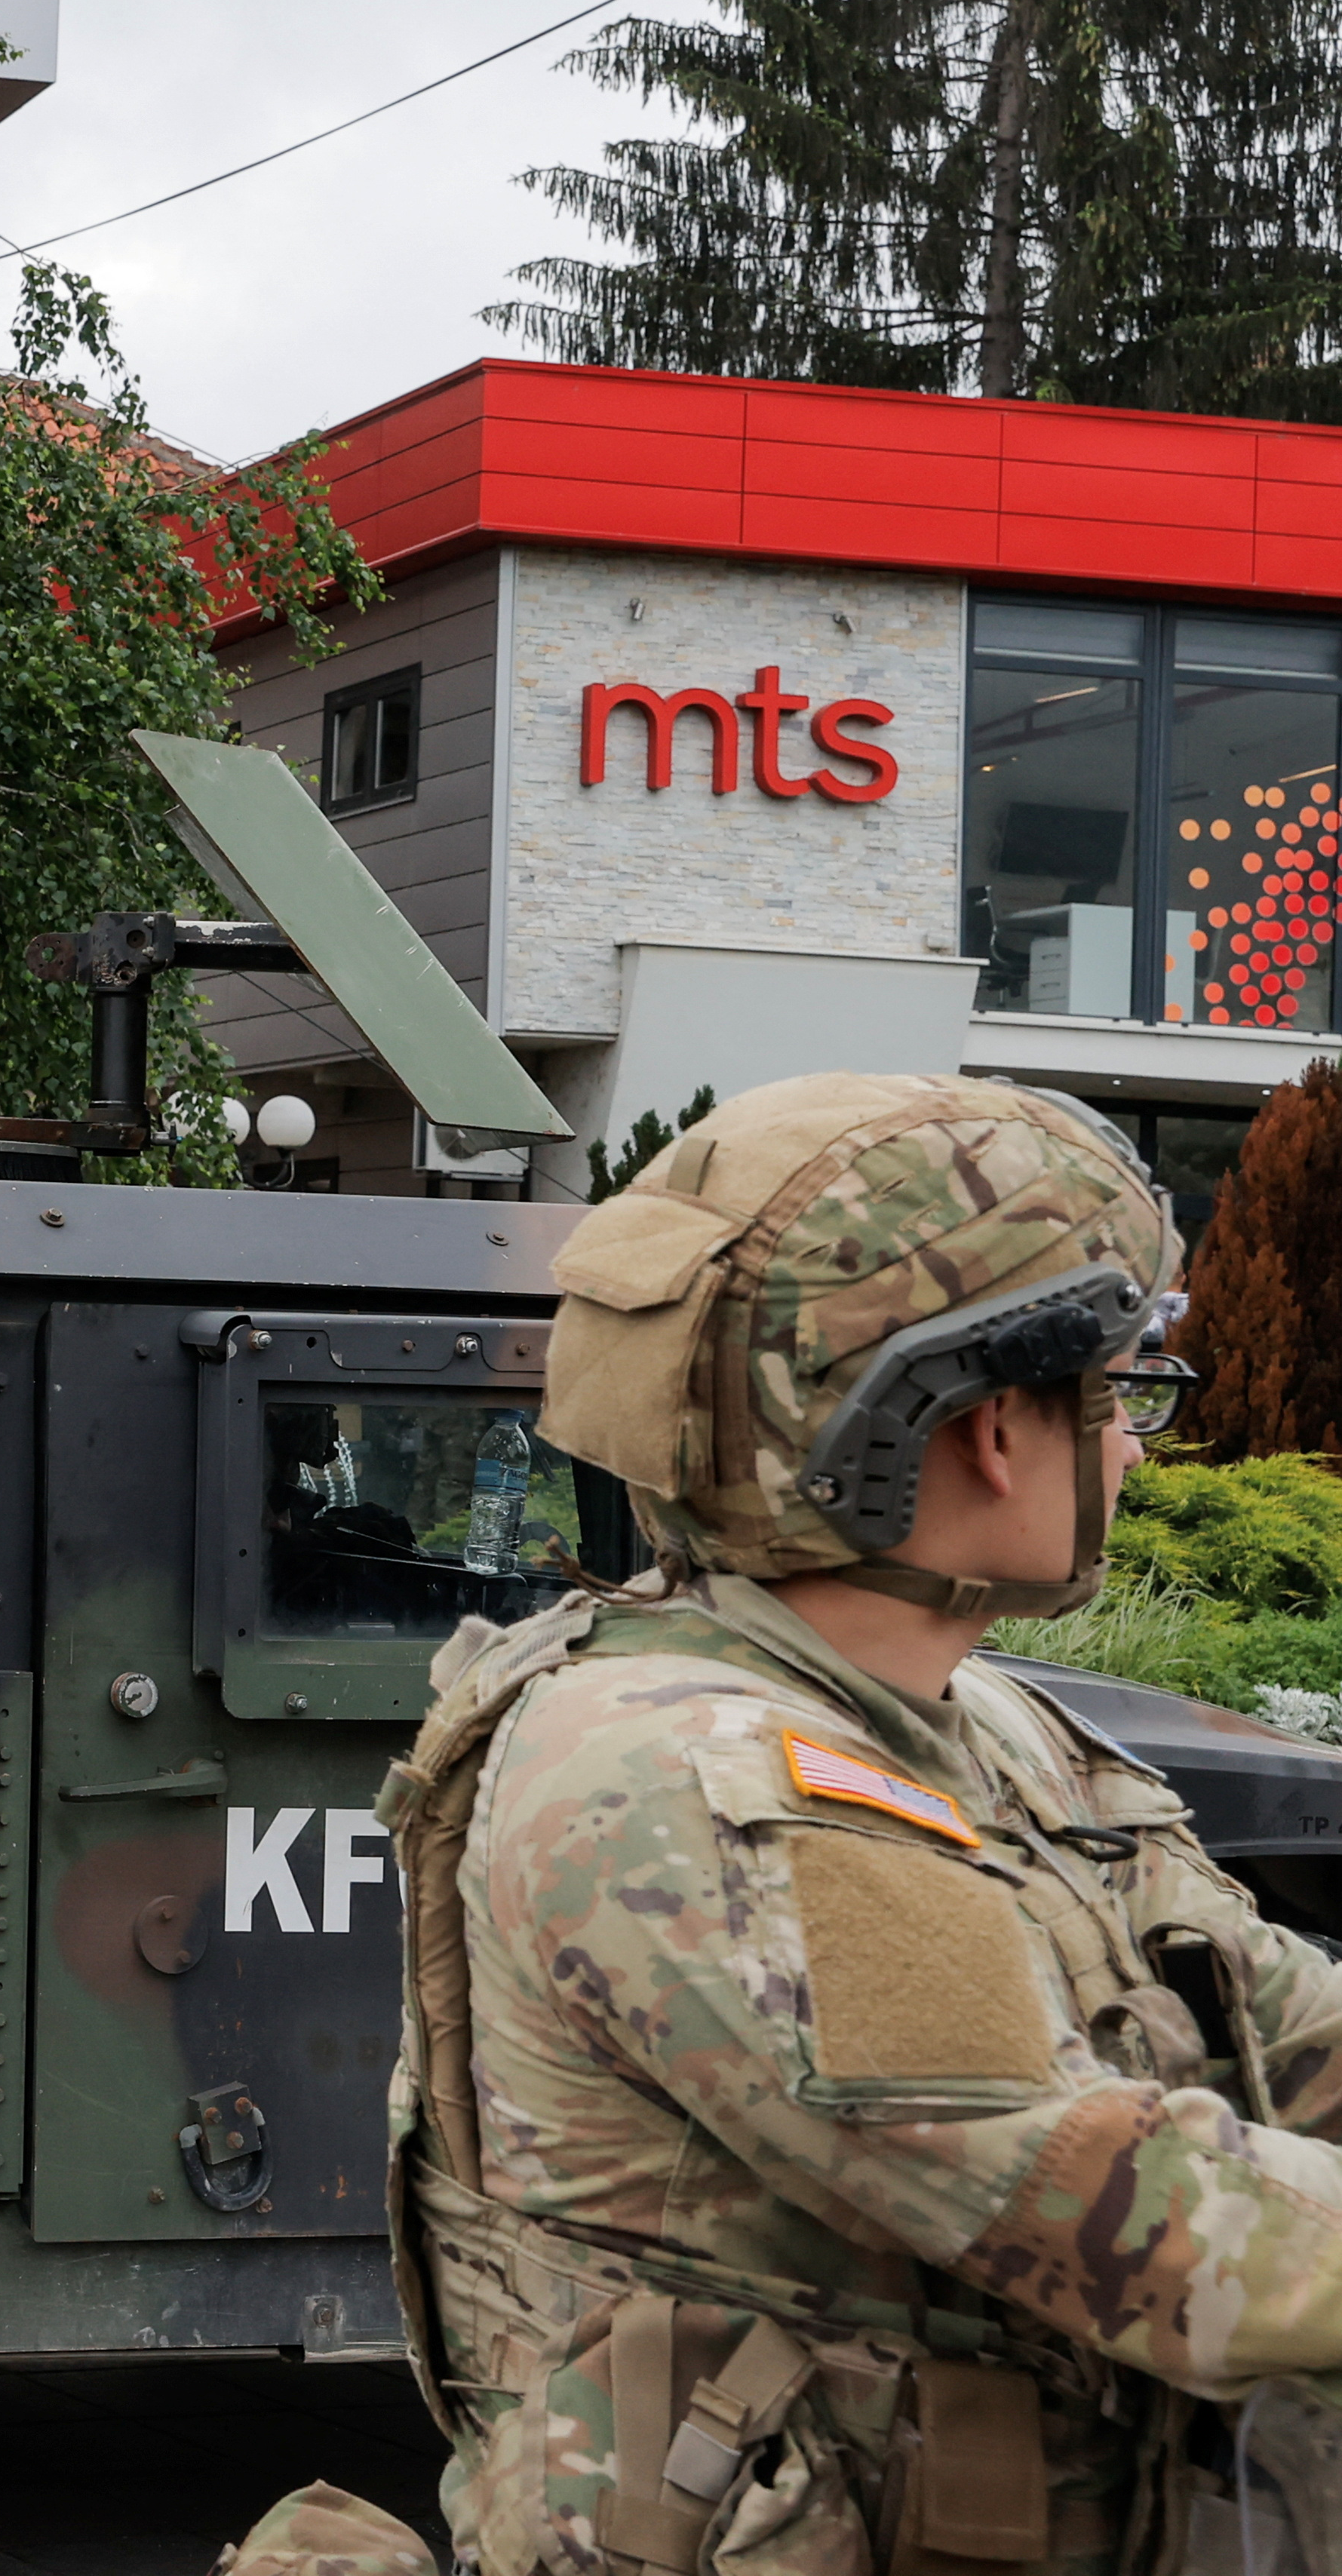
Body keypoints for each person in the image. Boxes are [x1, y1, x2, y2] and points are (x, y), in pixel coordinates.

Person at [225, 1070, 1342, 2576]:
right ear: (992, 1427)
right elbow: (1169, 2238)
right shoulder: (687, 1784)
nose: (1140, 1448)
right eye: (1119, 1392)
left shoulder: (976, 1721)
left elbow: (1274, 2017)